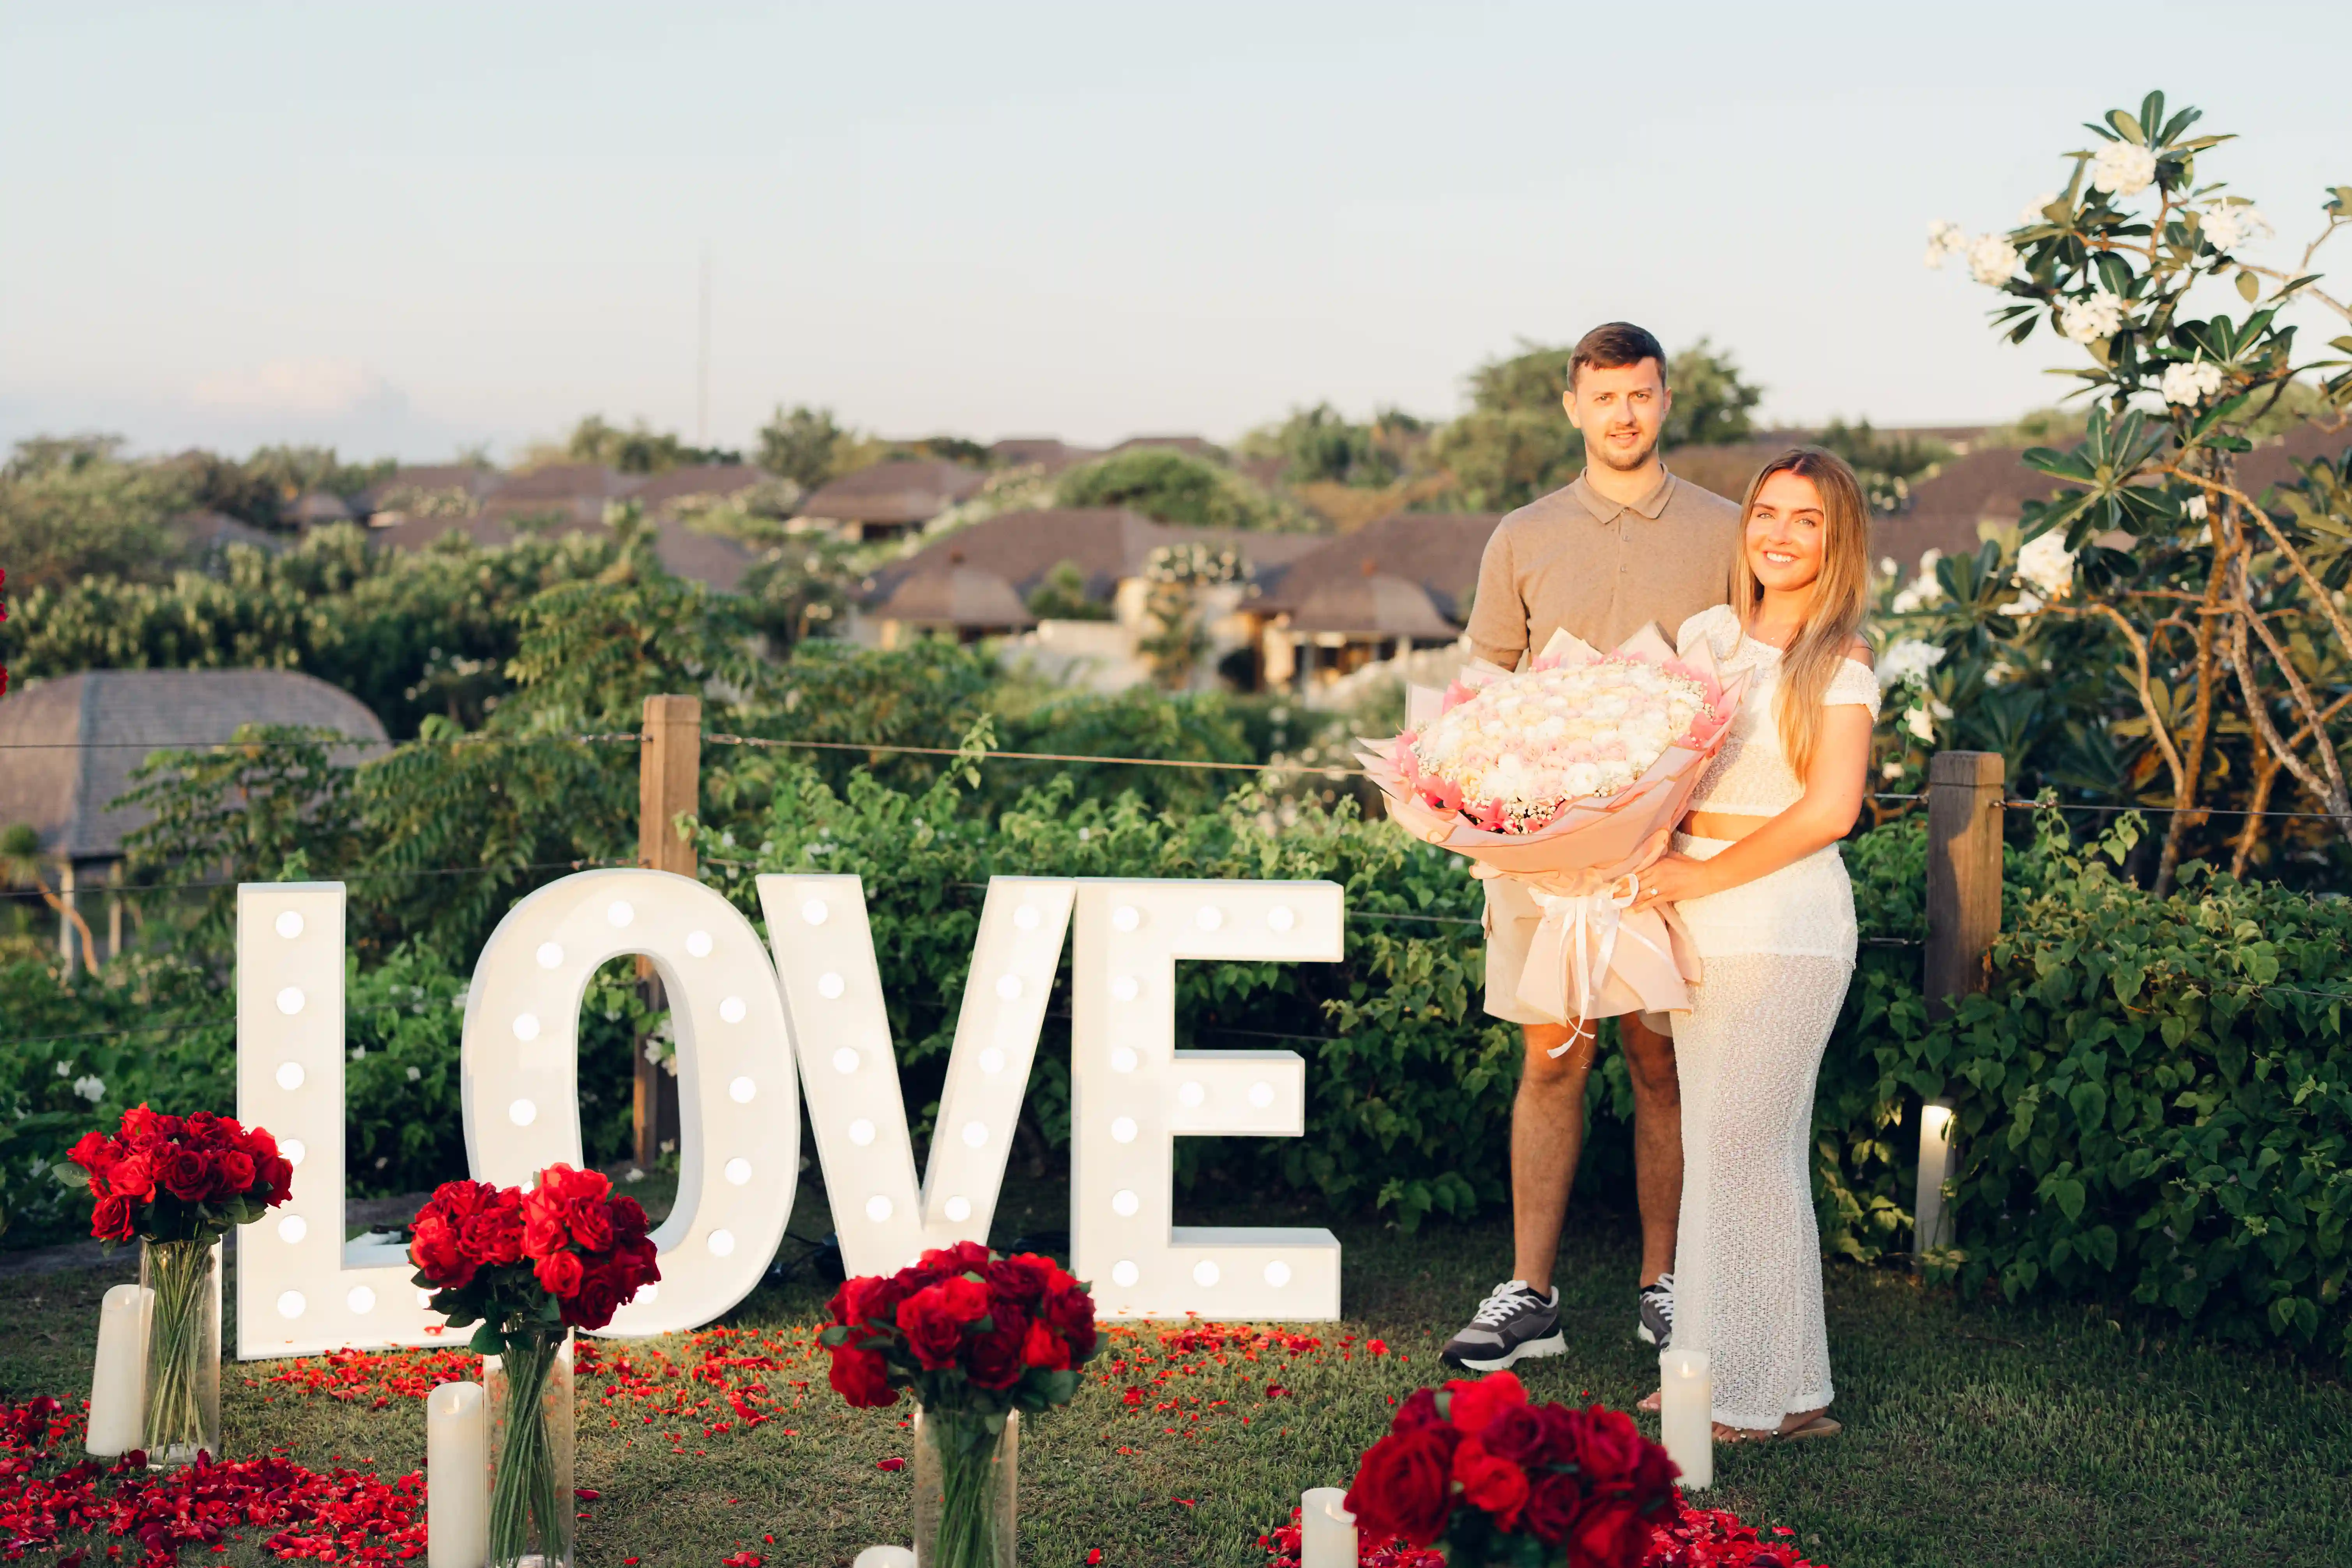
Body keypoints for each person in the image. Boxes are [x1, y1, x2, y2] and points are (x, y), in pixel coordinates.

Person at [1439, 322, 1741, 1372]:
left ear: (1666, 401)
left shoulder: (1724, 527)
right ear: (1572, 405)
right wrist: (1488, 813)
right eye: (1604, 395)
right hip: (1545, 853)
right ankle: (1532, 1293)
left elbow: (1747, 685)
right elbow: (1484, 691)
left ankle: (1667, 1284)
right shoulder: (1521, 534)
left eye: (1641, 394)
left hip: (1673, 852)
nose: (1623, 413)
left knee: (1663, 1062)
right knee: (1550, 1059)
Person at [1629, 447, 1877, 1441]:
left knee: (1737, 1152)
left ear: (1835, 539)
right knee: (1745, 1155)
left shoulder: (1840, 658)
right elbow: (1672, 772)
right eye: (1765, 511)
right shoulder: (1703, 637)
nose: (1777, 533)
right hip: (1698, 920)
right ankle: (1789, 1390)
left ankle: (1732, 1398)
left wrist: (1695, 872)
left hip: (1786, 927)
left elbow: (1829, 810)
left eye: (1804, 519)